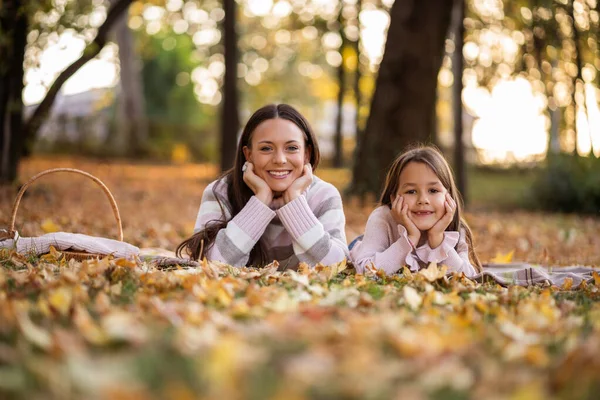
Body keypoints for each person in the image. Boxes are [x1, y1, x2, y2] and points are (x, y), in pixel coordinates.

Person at [176, 104, 349, 269]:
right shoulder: (220, 192)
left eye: (292, 148)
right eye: (266, 148)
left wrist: (295, 203)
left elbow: (337, 264)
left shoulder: (324, 195)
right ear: (248, 154)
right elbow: (209, 262)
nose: (280, 159)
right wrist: (260, 202)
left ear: (307, 154)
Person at [350, 145, 481, 277]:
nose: (423, 200)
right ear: (394, 197)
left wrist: (437, 239)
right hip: (368, 246)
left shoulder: (455, 226)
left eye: (433, 191)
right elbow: (365, 271)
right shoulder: (382, 217)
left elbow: (468, 277)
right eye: (411, 191)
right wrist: (410, 239)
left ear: (448, 196)